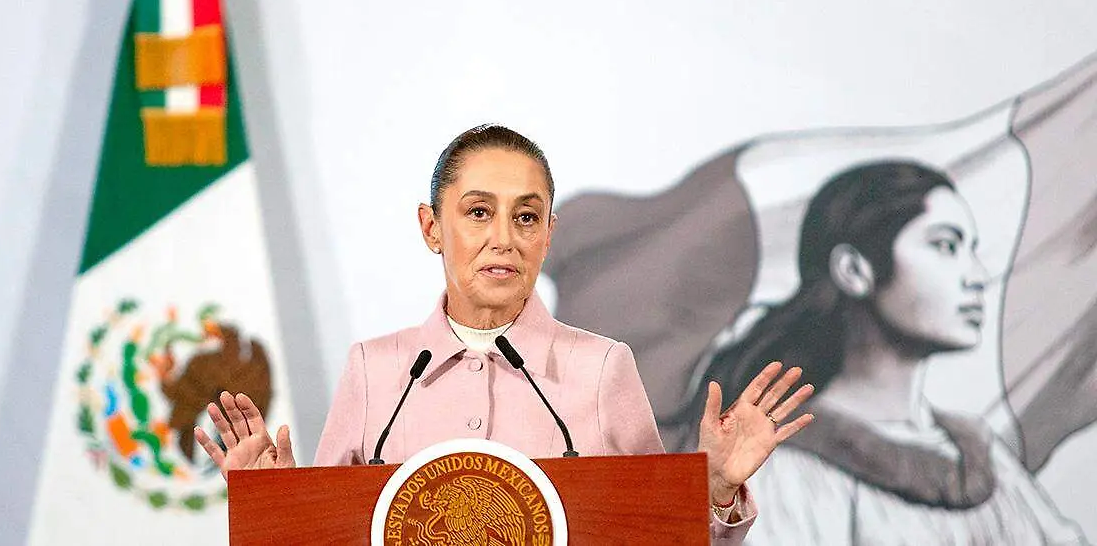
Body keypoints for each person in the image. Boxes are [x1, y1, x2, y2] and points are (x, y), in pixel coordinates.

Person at [195, 124, 815, 542]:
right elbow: (333, 539)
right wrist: (273, 506)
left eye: (526, 216)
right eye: (478, 211)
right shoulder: (373, 369)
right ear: (431, 227)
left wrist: (713, 491)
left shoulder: (602, 367)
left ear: (548, 232)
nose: (504, 238)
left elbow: (650, 536)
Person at [696, 161, 1087, 545]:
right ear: (854, 270)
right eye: (945, 245)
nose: (977, 276)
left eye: (971, 249)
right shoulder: (787, 465)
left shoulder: (982, 455)